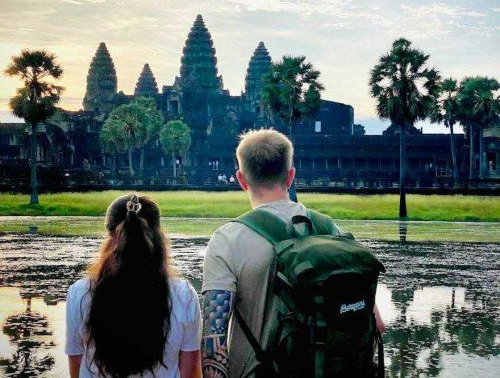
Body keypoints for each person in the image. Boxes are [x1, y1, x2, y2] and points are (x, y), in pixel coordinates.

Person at [201, 129, 384, 377]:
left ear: (241, 180)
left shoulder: (227, 240)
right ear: (291, 177)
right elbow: (376, 325)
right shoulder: (329, 229)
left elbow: (214, 343)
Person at [65, 194, 202, 378]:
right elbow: (191, 374)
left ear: (110, 238)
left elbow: (76, 369)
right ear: (157, 236)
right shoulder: (184, 295)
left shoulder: (79, 293)